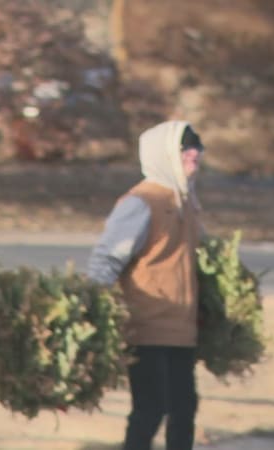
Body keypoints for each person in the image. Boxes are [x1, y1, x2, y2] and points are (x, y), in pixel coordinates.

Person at [86, 120, 204, 450]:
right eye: (184, 146)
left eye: (197, 145)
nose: (193, 153)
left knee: (185, 410)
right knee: (151, 409)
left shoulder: (187, 201)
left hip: (181, 328)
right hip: (146, 325)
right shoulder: (141, 202)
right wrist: (92, 309)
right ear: (162, 154)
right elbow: (107, 258)